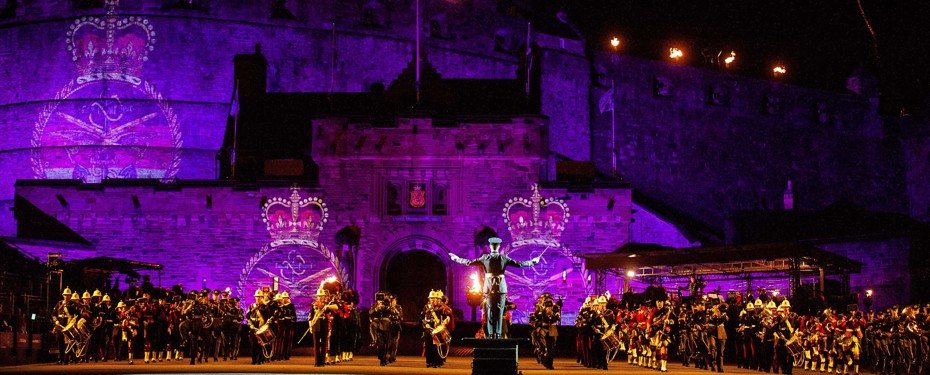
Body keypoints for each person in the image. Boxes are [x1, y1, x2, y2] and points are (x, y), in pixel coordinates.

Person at [449, 237, 540, 339]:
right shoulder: (503, 258)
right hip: (501, 287)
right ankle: (499, 333)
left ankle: (491, 334)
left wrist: (456, 258)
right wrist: (533, 261)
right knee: (500, 311)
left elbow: (469, 262)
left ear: (490, 246)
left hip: (488, 287)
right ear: (499, 246)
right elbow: (519, 264)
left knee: (490, 311)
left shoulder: (485, 257)